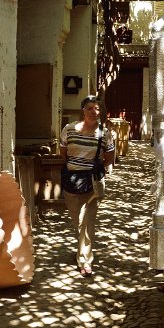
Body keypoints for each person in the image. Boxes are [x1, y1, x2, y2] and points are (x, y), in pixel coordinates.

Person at [60, 95, 115, 276]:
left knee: (87, 221)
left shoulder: (104, 133)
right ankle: (82, 251)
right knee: (78, 222)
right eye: (89, 108)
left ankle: (85, 261)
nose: (93, 112)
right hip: (72, 181)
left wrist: (91, 167)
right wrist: (77, 167)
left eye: (97, 109)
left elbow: (109, 158)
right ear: (83, 110)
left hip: (93, 182)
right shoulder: (69, 130)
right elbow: (63, 153)